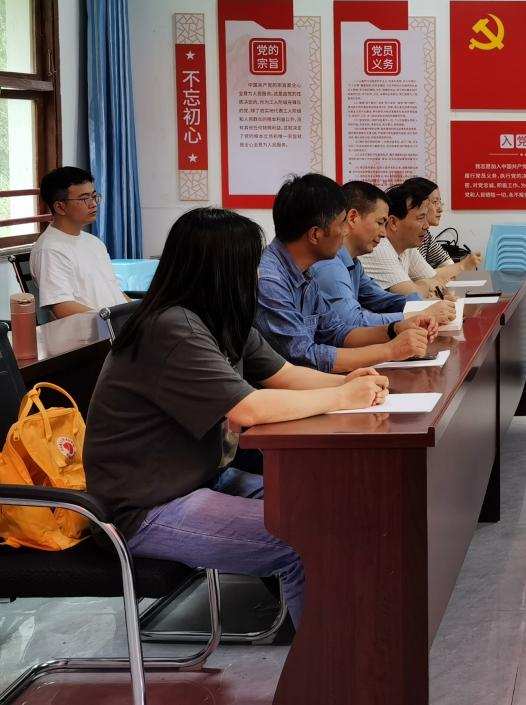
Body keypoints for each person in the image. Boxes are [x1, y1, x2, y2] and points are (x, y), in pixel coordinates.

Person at [84, 207, 394, 628]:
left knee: (333, 507)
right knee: (302, 540)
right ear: (220, 268)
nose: (257, 274)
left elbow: (284, 375)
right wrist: (342, 397)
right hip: (146, 509)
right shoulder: (170, 327)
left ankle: (356, 641)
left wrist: (344, 384)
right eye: (250, 263)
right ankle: (328, 661)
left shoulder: (219, 317)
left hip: (201, 479)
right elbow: (248, 408)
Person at [255, 174, 440, 372]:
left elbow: (336, 332)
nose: (346, 232)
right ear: (316, 234)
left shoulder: (304, 272)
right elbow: (304, 356)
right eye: (342, 223)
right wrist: (389, 350)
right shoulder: (270, 281)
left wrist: (394, 328)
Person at [310, 180, 455, 327]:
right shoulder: (330, 265)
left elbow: (382, 300)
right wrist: (419, 315)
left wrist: (426, 304)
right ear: (353, 218)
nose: (384, 233)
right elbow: (352, 323)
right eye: (380, 223)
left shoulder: (353, 262)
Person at [29, 166, 127, 317]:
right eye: (84, 199)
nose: (93, 204)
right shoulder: (50, 250)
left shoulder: (94, 242)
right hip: (93, 330)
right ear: (60, 207)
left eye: (94, 196)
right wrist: (112, 321)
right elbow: (63, 307)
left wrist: (138, 314)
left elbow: (115, 291)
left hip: (117, 325)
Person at [361, 177, 482, 297]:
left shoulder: (407, 246)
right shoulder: (379, 247)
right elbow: (414, 295)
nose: (426, 225)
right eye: (420, 218)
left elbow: (435, 278)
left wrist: (424, 285)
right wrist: (424, 285)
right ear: (393, 223)